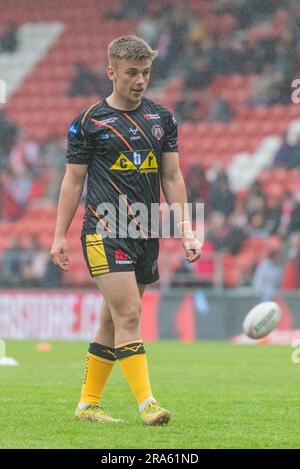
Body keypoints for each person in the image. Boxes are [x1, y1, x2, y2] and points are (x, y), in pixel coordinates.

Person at [50, 35, 202, 426]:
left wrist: (185, 228)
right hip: (104, 229)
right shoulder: (89, 122)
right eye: (132, 72)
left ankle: (88, 405)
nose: (140, 80)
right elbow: (72, 182)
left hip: (146, 230)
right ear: (111, 72)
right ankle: (148, 404)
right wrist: (58, 235)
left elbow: (172, 176)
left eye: (146, 72)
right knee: (130, 314)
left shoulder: (161, 119)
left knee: (110, 321)